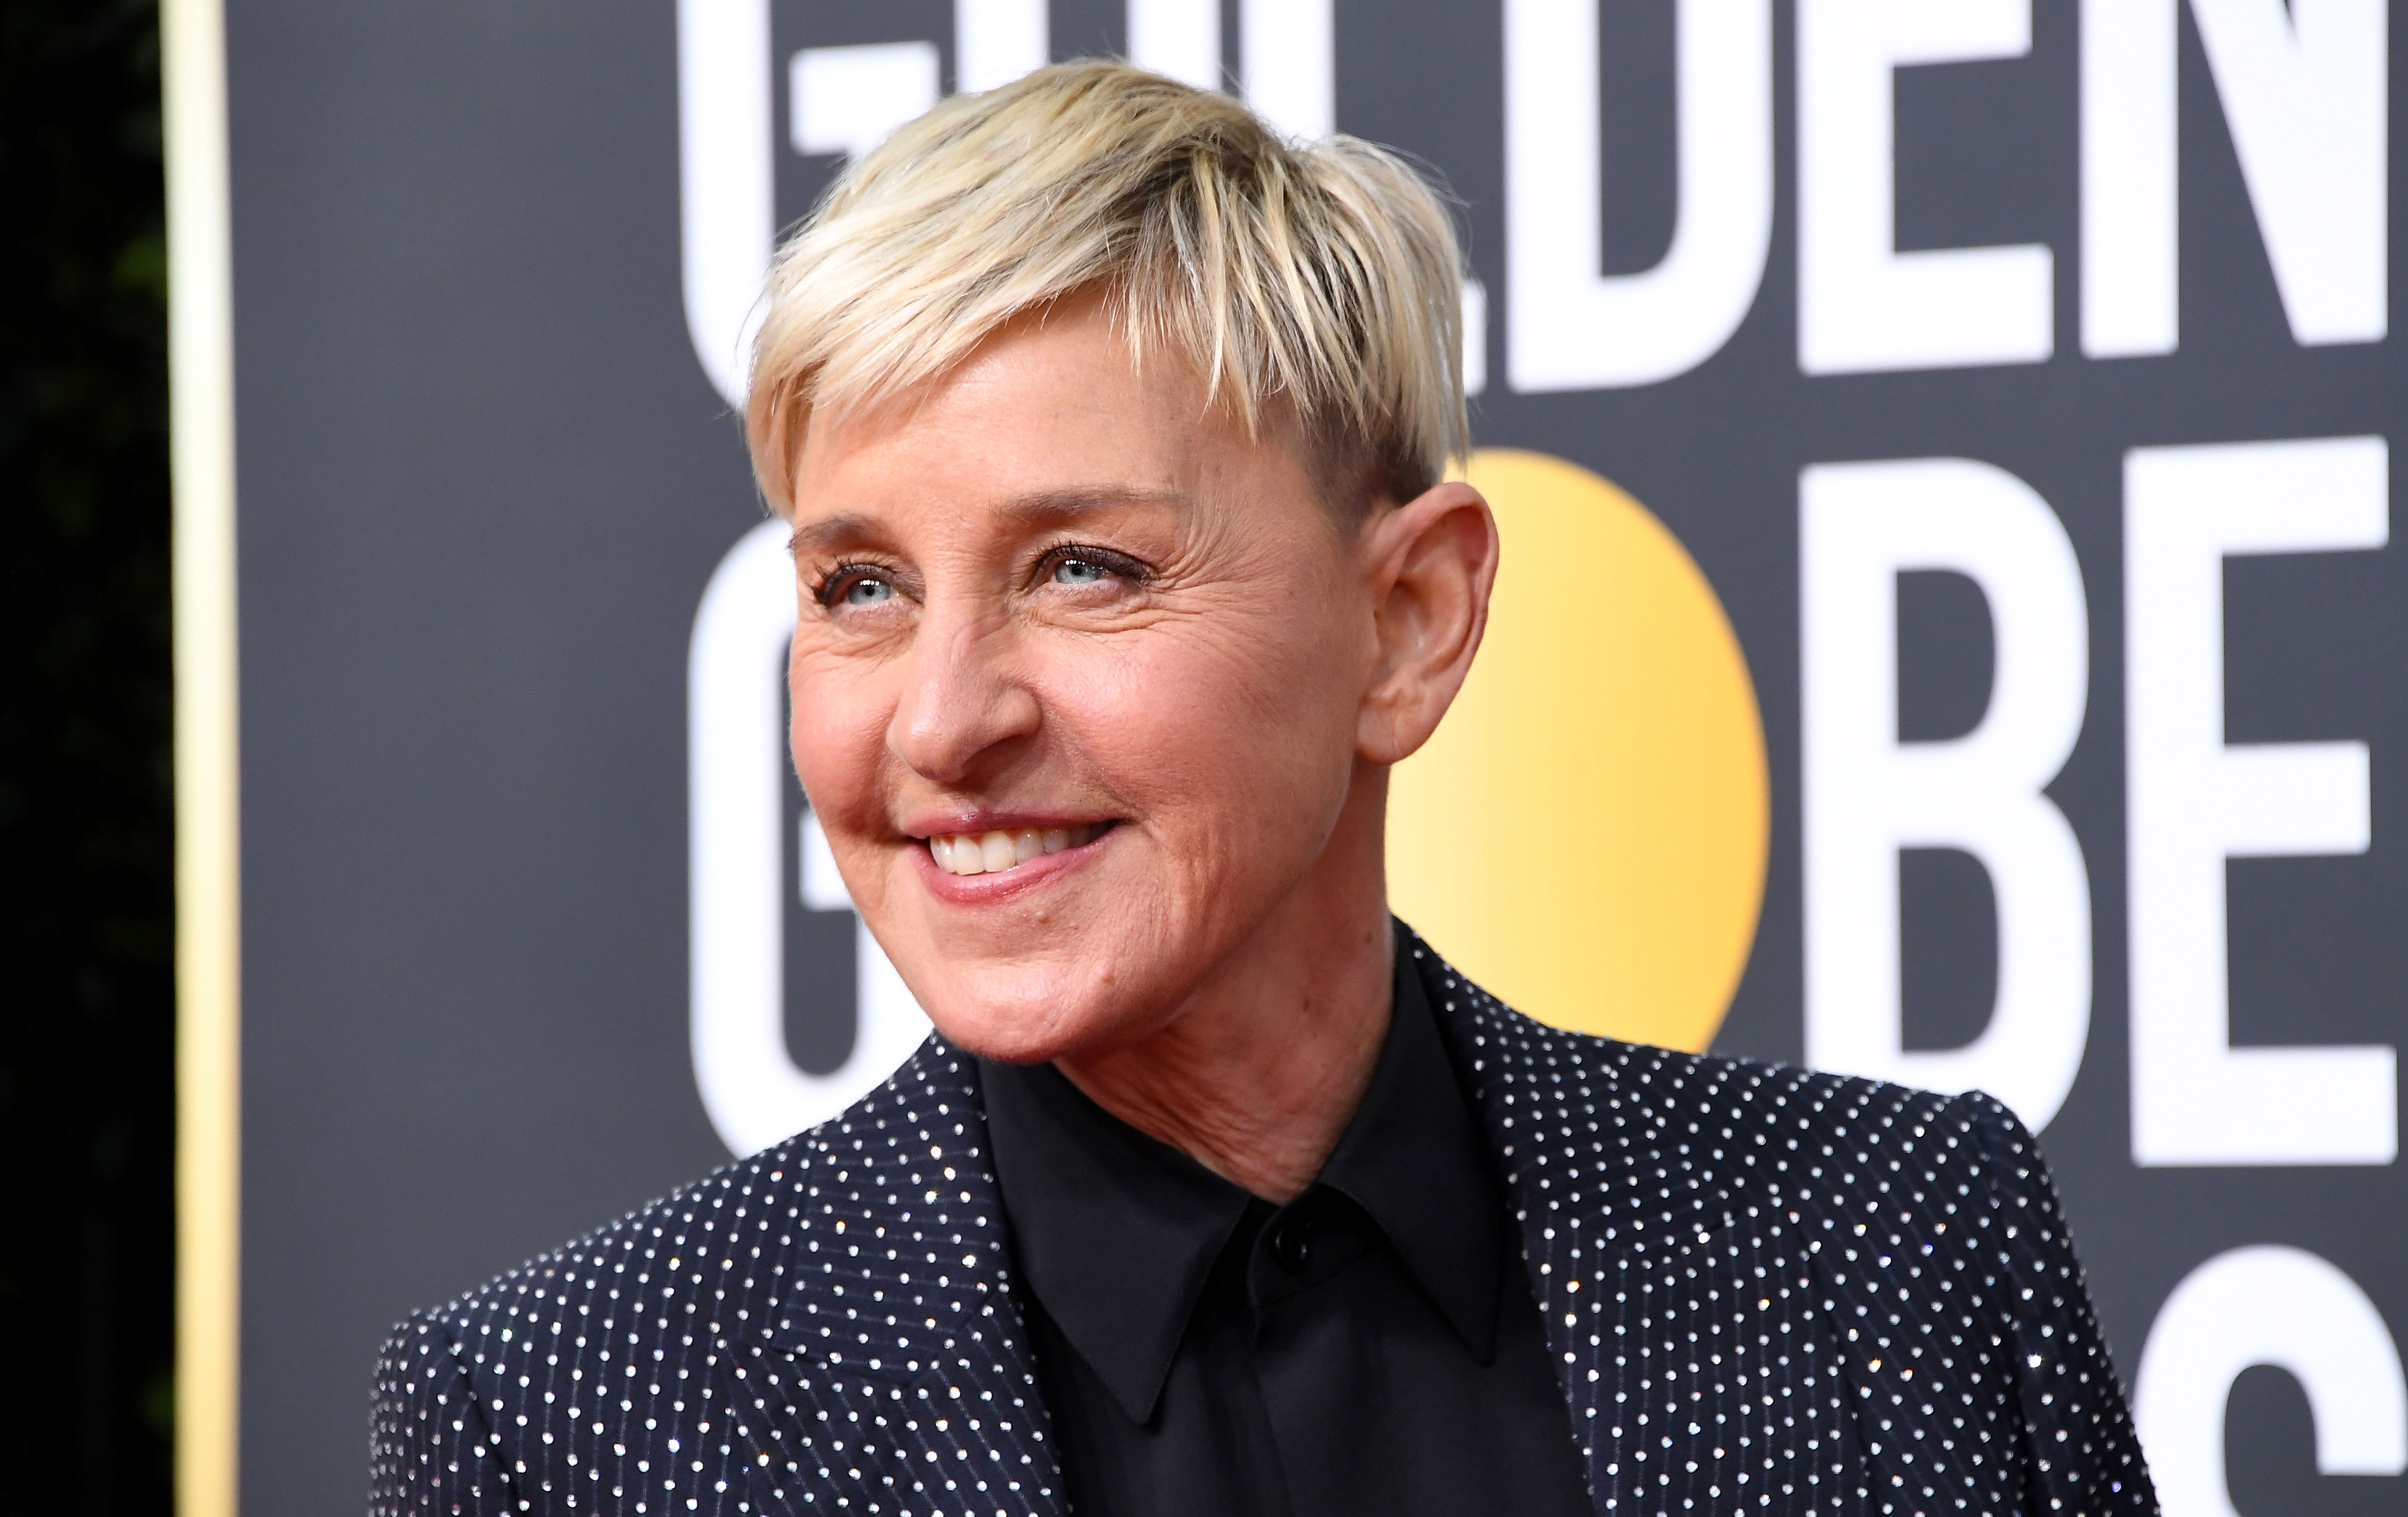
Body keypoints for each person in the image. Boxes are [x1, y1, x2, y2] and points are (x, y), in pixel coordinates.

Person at [371, 60, 2155, 1517]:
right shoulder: (562, 1430)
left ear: (1408, 618)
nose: (940, 719)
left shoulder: (1895, 1250)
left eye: (1081, 566)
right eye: (861, 587)